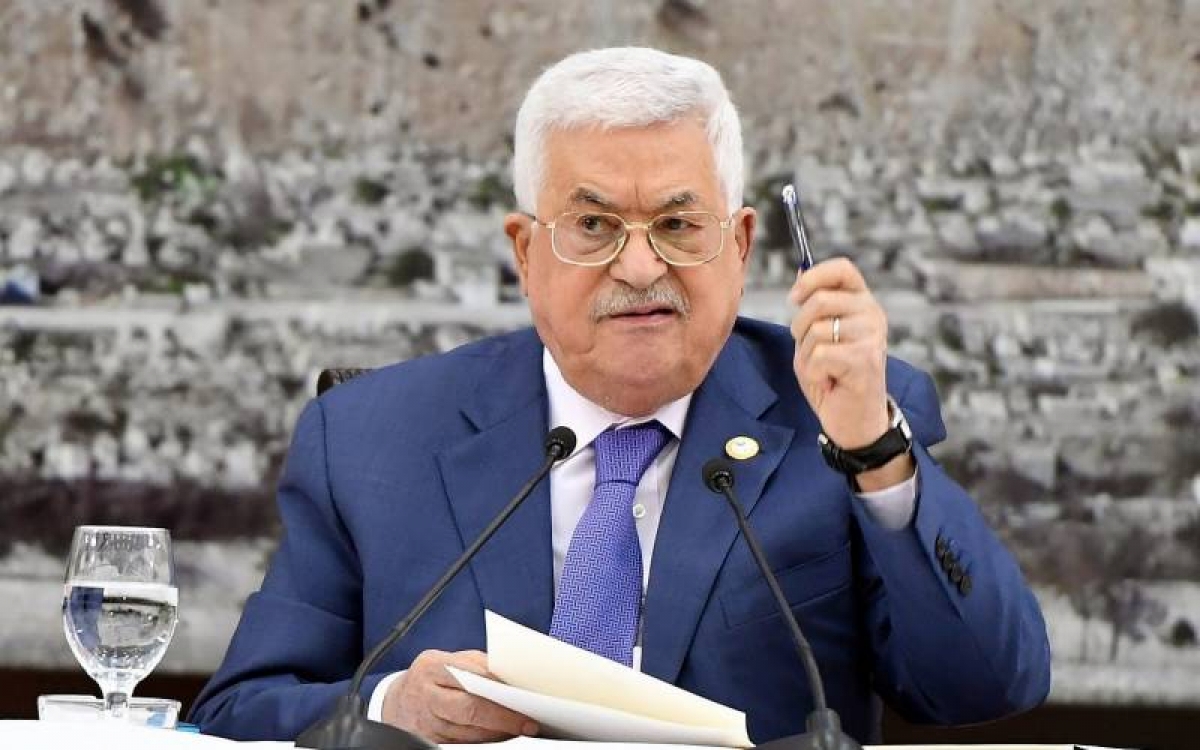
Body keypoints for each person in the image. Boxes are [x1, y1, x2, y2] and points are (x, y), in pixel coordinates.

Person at [190, 47, 1051, 744]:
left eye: (677, 225)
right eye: (594, 225)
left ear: (740, 245)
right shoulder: (369, 438)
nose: (640, 267)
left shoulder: (837, 417)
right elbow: (239, 712)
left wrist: (875, 454)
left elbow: (985, 686)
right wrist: (390, 709)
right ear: (526, 253)